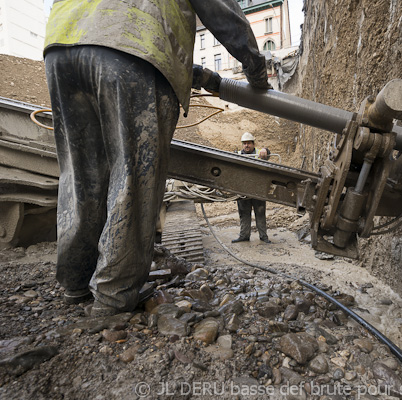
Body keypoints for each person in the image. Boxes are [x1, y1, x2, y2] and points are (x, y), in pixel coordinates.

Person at [44, 0, 270, 317]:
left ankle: (75, 282)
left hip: (62, 44)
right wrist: (256, 69)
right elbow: (220, 8)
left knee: (81, 174)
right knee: (134, 178)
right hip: (132, 47)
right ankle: (114, 294)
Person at [232, 132, 271, 244]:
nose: (246, 145)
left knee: (260, 213)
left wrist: (266, 150)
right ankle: (244, 235)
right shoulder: (238, 154)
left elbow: (268, 154)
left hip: (258, 190)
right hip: (243, 190)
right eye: (244, 143)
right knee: (244, 214)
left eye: (249, 143)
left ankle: (263, 237)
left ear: (253, 144)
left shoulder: (260, 153)